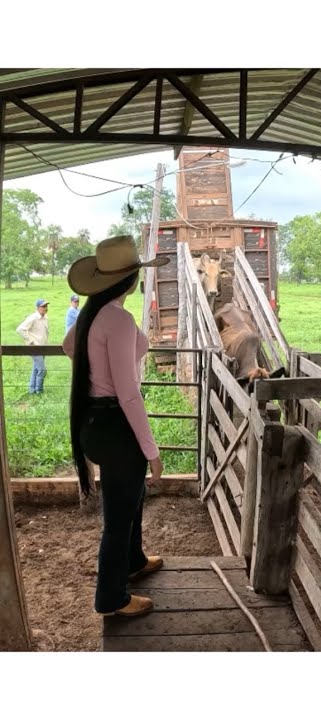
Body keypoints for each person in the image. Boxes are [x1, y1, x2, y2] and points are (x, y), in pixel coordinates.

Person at [63, 235, 170, 618]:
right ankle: (111, 598)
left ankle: (134, 560)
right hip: (116, 424)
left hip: (94, 423)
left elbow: (67, 345)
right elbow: (129, 394)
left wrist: (102, 366)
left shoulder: (94, 314)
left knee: (129, 499)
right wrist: (152, 451)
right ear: (131, 281)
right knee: (119, 517)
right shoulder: (118, 319)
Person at [16, 298, 50, 395]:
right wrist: (31, 341)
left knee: (36, 369)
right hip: (35, 348)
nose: (46, 308)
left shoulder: (45, 317)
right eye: (43, 306)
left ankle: (32, 390)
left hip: (43, 348)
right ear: (38, 308)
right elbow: (20, 329)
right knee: (42, 370)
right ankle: (39, 391)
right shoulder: (33, 317)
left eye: (46, 306)